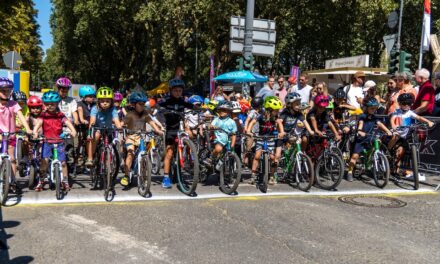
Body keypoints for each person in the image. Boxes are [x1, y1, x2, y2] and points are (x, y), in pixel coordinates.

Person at [32, 91, 77, 191]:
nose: (50, 106)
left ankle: (65, 181)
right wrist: (35, 132)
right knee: (44, 162)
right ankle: (41, 180)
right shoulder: (43, 115)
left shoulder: (60, 115)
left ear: (57, 103)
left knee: (63, 163)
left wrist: (73, 130)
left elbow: (68, 123)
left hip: (59, 141)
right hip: (47, 141)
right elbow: (38, 124)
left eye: (52, 104)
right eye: (47, 104)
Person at [387, 93, 434, 180]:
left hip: (404, 136)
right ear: (400, 104)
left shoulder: (410, 112)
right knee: (396, 137)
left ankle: (395, 171)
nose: (407, 106)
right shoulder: (397, 111)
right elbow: (392, 119)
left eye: (409, 104)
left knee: (399, 153)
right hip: (396, 132)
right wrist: (394, 127)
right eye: (404, 104)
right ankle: (387, 150)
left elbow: (419, 118)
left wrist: (428, 122)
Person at [121, 91, 163, 187]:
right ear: (134, 104)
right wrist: (120, 127)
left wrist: (158, 130)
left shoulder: (145, 113)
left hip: (142, 137)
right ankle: (126, 176)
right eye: (140, 104)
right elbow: (121, 124)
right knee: (130, 153)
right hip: (131, 137)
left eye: (143, 104)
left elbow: (152, 123)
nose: (142, 106)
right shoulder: (130, 114)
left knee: (144, 154)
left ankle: (143, 173)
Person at [346, 98, 392, 182]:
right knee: (355, 156)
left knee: (378, 142)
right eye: (372, 108)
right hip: (361, 138)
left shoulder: (374, 117)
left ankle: (373, 165)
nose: (374, 110)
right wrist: (360, 131)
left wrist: (388, 131)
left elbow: (380, 124)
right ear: (367, 108)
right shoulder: (362, 116)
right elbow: (361, 123)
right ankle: (349, 171)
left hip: (370, 137)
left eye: (375, 108)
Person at [159, 78, 194, 188]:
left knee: (186, 144)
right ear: (171, 91)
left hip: (180, 129)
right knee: (169, 153)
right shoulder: (167, 101)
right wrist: (159, 109)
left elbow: (191, 106)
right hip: (170, 130)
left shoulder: (182, 101)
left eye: (180, 91)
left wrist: (201, 108)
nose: (178, 93)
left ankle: (190, 163)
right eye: (175, 91)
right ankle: (165, 177)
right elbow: (157, 106)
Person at [0, 77, 32, 193]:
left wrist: (28, 128)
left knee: (12, 159)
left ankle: (12, 182)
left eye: (8, 91)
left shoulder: (13, 104)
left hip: (10, 135)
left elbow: (21, 116)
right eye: (3, 90)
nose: (6, 93)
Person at [247, 96, 285, 185]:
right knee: (257, 156)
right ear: (269, 109)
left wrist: (282, 132)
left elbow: (279, 123)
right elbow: (252, 122)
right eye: (276, 110)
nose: (277, 112)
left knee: (273, 158)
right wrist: (249, 131)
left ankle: (272, 176)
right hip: (261, 138)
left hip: (271, 139)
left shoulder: (275, 117)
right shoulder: (262, 116)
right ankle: (253, 175)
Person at [86, 87, 123, 167]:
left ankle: (107, 165)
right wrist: (90, 132)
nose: (105, 103)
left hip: (108, 130)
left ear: (111, 102)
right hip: (97, 128)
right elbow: (92, 122)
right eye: (102, 101)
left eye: (107, 101)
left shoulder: (113, 109)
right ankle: (90, 158)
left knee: (110, 144)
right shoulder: (95, 108)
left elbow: (117, 121)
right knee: (95, 136)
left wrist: (120, 128)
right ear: (98, 101)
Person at [205, 102, 237, 169]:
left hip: (228, 141)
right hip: (218, 139)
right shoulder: (216, 119)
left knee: (230, 152)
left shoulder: (232, 122)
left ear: (228, 111)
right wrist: (212, 127)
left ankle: (223, 168)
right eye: (221, 110)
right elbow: (211, 125)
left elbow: (234, 134)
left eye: (224, 110)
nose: (222, 112)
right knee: (218, 149)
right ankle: (211, 158)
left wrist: (232, 145)